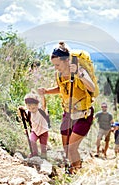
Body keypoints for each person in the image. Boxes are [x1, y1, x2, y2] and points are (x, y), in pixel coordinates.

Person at [38, 41, 95, 174]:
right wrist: (46, 91)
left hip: (83, 115)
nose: (56, 68)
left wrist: (80, 75)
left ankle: (76, 173)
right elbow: (61, 89)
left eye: (58, 64)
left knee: (71, 148)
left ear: (67, 60)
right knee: (66, 147)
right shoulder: (59, 74)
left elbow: (91, 87)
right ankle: (73, 169)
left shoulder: (79, 71)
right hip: (68, 114)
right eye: (54, 65)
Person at [18, 91, 50, 159]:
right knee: (31, 140)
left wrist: (42, 96)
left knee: (43, 147)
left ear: (37, 105)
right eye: (29, 108)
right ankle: (34, 154)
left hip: (43, 131)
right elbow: (22, 116)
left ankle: (44, 158)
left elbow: (44, 105)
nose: (31, 110)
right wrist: (20, 111)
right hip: (35, 131)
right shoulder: (28, 112)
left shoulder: (41, 111)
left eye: (33, 108)